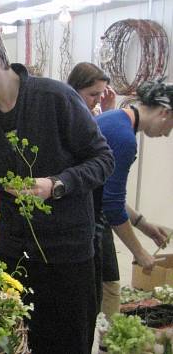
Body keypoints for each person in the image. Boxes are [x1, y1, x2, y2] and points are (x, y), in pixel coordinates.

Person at [0, 19, 114, 353]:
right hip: (15, 260)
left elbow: (103, 160)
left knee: (67, 344)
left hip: (68, 258)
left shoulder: (55, 99)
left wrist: (56, 184)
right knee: (16, 343)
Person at [68, 67, 171, 320]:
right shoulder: (124, 138)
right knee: (94, 303)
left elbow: (106, 190)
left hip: (80, 217)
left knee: (101, 294)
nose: (167, 133)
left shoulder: (114, 119)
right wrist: (140, 253)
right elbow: (111, 206)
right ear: (165, 113)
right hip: (83, 224)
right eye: (171, 125)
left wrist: (142, 224)